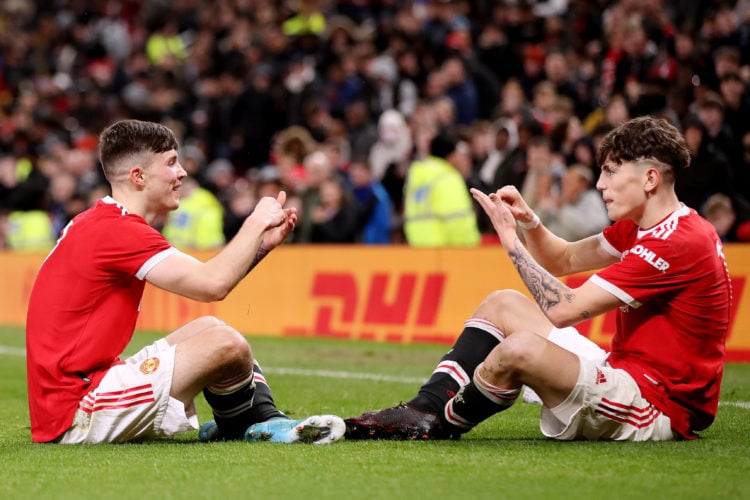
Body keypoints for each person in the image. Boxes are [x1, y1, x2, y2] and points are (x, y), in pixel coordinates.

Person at [345, 116, 731, 442]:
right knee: (503, 303)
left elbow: (564, 311)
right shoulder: (645, 227)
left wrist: (511, 242)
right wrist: (530, 222)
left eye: (611, 172)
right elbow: (562, 258)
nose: (600, 184)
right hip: (623, 370)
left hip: (657, 405)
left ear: (649, 179)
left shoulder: (676, 242)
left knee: (522, 350)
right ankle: (422, 409)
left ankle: (437, 425)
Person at [25, 119, 345, 445]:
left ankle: (248, 425)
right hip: (78, 406)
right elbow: (213, 284)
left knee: (210, 329)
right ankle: (257, 425)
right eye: (171, 163)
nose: (182, 173)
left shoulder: (103, 222)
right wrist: (256, 220)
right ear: (139, 176)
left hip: (80, 389)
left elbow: (211, 279)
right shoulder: (117, 230)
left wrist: (261, 246)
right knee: (225, 345)